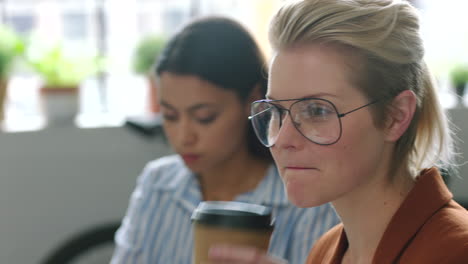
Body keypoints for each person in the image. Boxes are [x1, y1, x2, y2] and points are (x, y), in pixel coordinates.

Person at [207, 0, 468, 263]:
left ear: (395, 116)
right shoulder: (326, 249)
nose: (283, 140)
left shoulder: (457, 250)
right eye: (276, 111)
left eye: (317, 111)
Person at [110, 16, 339, 264]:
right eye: (170, 116)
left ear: (252, 100)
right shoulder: (158, 183)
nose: (184, 137)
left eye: (204, 117)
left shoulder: (305, 198)